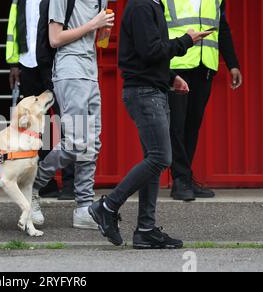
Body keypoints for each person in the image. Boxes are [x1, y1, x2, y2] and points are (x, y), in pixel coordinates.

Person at [88, 0, 212, 249]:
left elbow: (146, 55)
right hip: (144, 93)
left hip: (152, 89)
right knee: (160, 158)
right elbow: (150, 51)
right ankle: (107, 206)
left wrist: (171, 77)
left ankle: (145, 230)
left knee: (154, 161)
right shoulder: (143, 5)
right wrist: (186, 40)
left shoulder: (152, 5)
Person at [32, 0, 114, 230]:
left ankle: (84, 208)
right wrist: (93, 24)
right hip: (69, 72)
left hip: (90, 72)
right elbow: (55, 39)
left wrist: (102, 30)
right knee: (76, 142)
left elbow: (97, 40)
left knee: (92, 144)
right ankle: (33, 185)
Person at [5, 0, 76, 226]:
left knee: (69, 123)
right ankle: (45, 183)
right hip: (29, 64)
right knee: (38, 129)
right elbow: (13, 29)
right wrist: (14, 63)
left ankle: (70, 182)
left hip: (55, 62)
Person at [163, 0, 242, 201]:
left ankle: (185, 178)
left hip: (204, 65)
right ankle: (180, 179)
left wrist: (232, 64)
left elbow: (221, 26)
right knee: (177, 125)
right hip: (177, 64)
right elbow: (157, 27)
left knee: (192, 125)